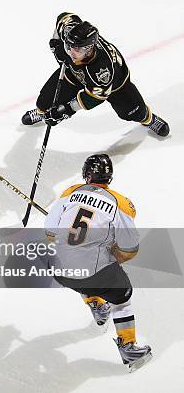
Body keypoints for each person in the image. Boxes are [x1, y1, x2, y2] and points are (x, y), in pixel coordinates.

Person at [44, 154, 152, 372]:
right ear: (109, 177)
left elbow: (50, 231)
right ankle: (128, 347)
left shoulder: (70, 192)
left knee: (76, 267)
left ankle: (96, 305)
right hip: (93, 274)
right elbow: (130, 248)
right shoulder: (121, 203)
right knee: (121, 297)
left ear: (86, 174)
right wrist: (112, 254)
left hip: (58, 270)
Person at [22, 12, 170, 137]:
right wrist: (56, 44)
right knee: (45, 100)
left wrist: (66, 109)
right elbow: (64, 17)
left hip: (116, 85)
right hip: (75, 73)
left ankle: (148, 119)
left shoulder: (102, 71)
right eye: (69, 46)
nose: (71, 52)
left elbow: (95, 97)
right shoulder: (71, 34)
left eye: (76, 50)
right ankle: (41, 112)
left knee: (133, 112)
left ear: (89, 49)